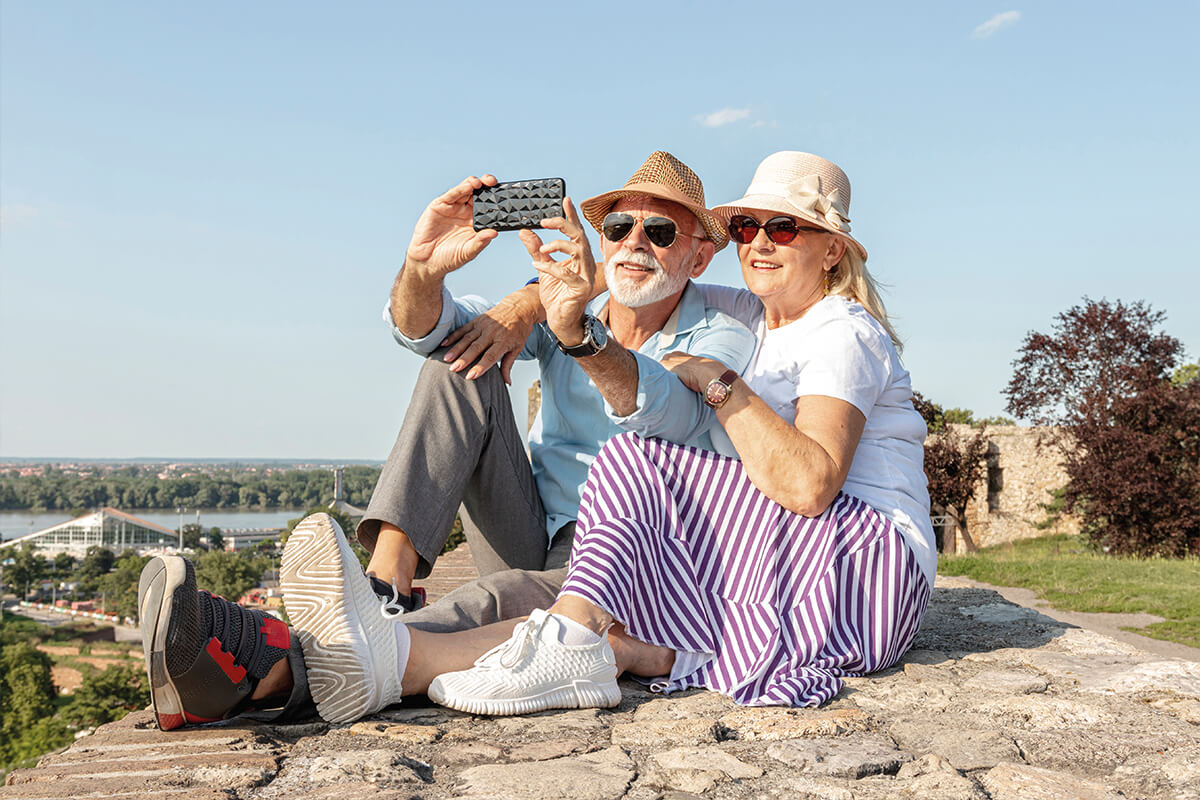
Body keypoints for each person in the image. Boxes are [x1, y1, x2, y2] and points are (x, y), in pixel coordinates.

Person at [138, 151, 757, 728]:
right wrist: (422, 270)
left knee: (500, 597)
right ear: (602, 238)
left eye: (662, 233)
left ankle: (271, 669)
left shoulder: (723, 328)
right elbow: (429, 330)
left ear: (699, 257)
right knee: (460, 365)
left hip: (627, 556)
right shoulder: (565, 302)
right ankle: (386, 587)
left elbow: (667, 410)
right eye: (621, 227)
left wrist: (571, 330)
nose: (635, 244)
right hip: (534, 521)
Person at [425, 151, 936, 714]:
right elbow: (632, 269)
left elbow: (810, 485)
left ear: (832, 249)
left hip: (864, 567)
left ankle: (564, 641)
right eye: (747, 227)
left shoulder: (840, 331)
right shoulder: (751, 312)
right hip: (786, 556)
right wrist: (527, 303)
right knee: (614, 607)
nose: (759, 243)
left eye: (784, 227)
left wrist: (718, 381)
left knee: (634, 458)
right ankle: (393, 654)